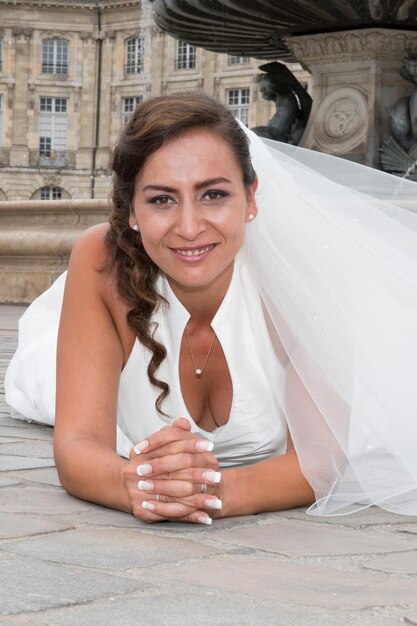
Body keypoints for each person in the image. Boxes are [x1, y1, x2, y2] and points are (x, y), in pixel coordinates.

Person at [5, 93, 417, 522]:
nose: (189, 227)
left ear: (251, 197)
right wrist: (136, 485)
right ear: (131, 210)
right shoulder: (100, 261)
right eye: (162, 199)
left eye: (213, 194)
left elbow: (320, 462)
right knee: (40, 387)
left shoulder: (307, 266)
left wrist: (209, 493)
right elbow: (77, 446)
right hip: (80, 348)